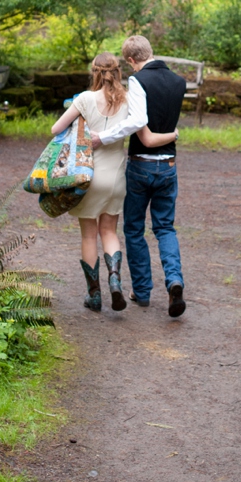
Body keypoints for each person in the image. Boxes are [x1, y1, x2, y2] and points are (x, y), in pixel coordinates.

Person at [50, 52, 177, 313]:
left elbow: (56, 129)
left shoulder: (85, 99)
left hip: (87, 176)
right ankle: (115, 281)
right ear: (118, 71)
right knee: (109, 231)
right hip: (117, 177)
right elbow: (141, 129)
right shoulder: (129, 100)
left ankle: (94, 294)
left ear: (94, 72)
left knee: (89, 234)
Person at [90, 35, 187, 318]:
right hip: (168, 165)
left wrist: (103, 138)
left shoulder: (138, 81)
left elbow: (136, 122)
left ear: (132, 61)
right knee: (165, 228)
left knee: (133, 229)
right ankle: (174, 280)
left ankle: (142, 291)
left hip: (141, 166)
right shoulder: (178, 82)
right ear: (150, 51)